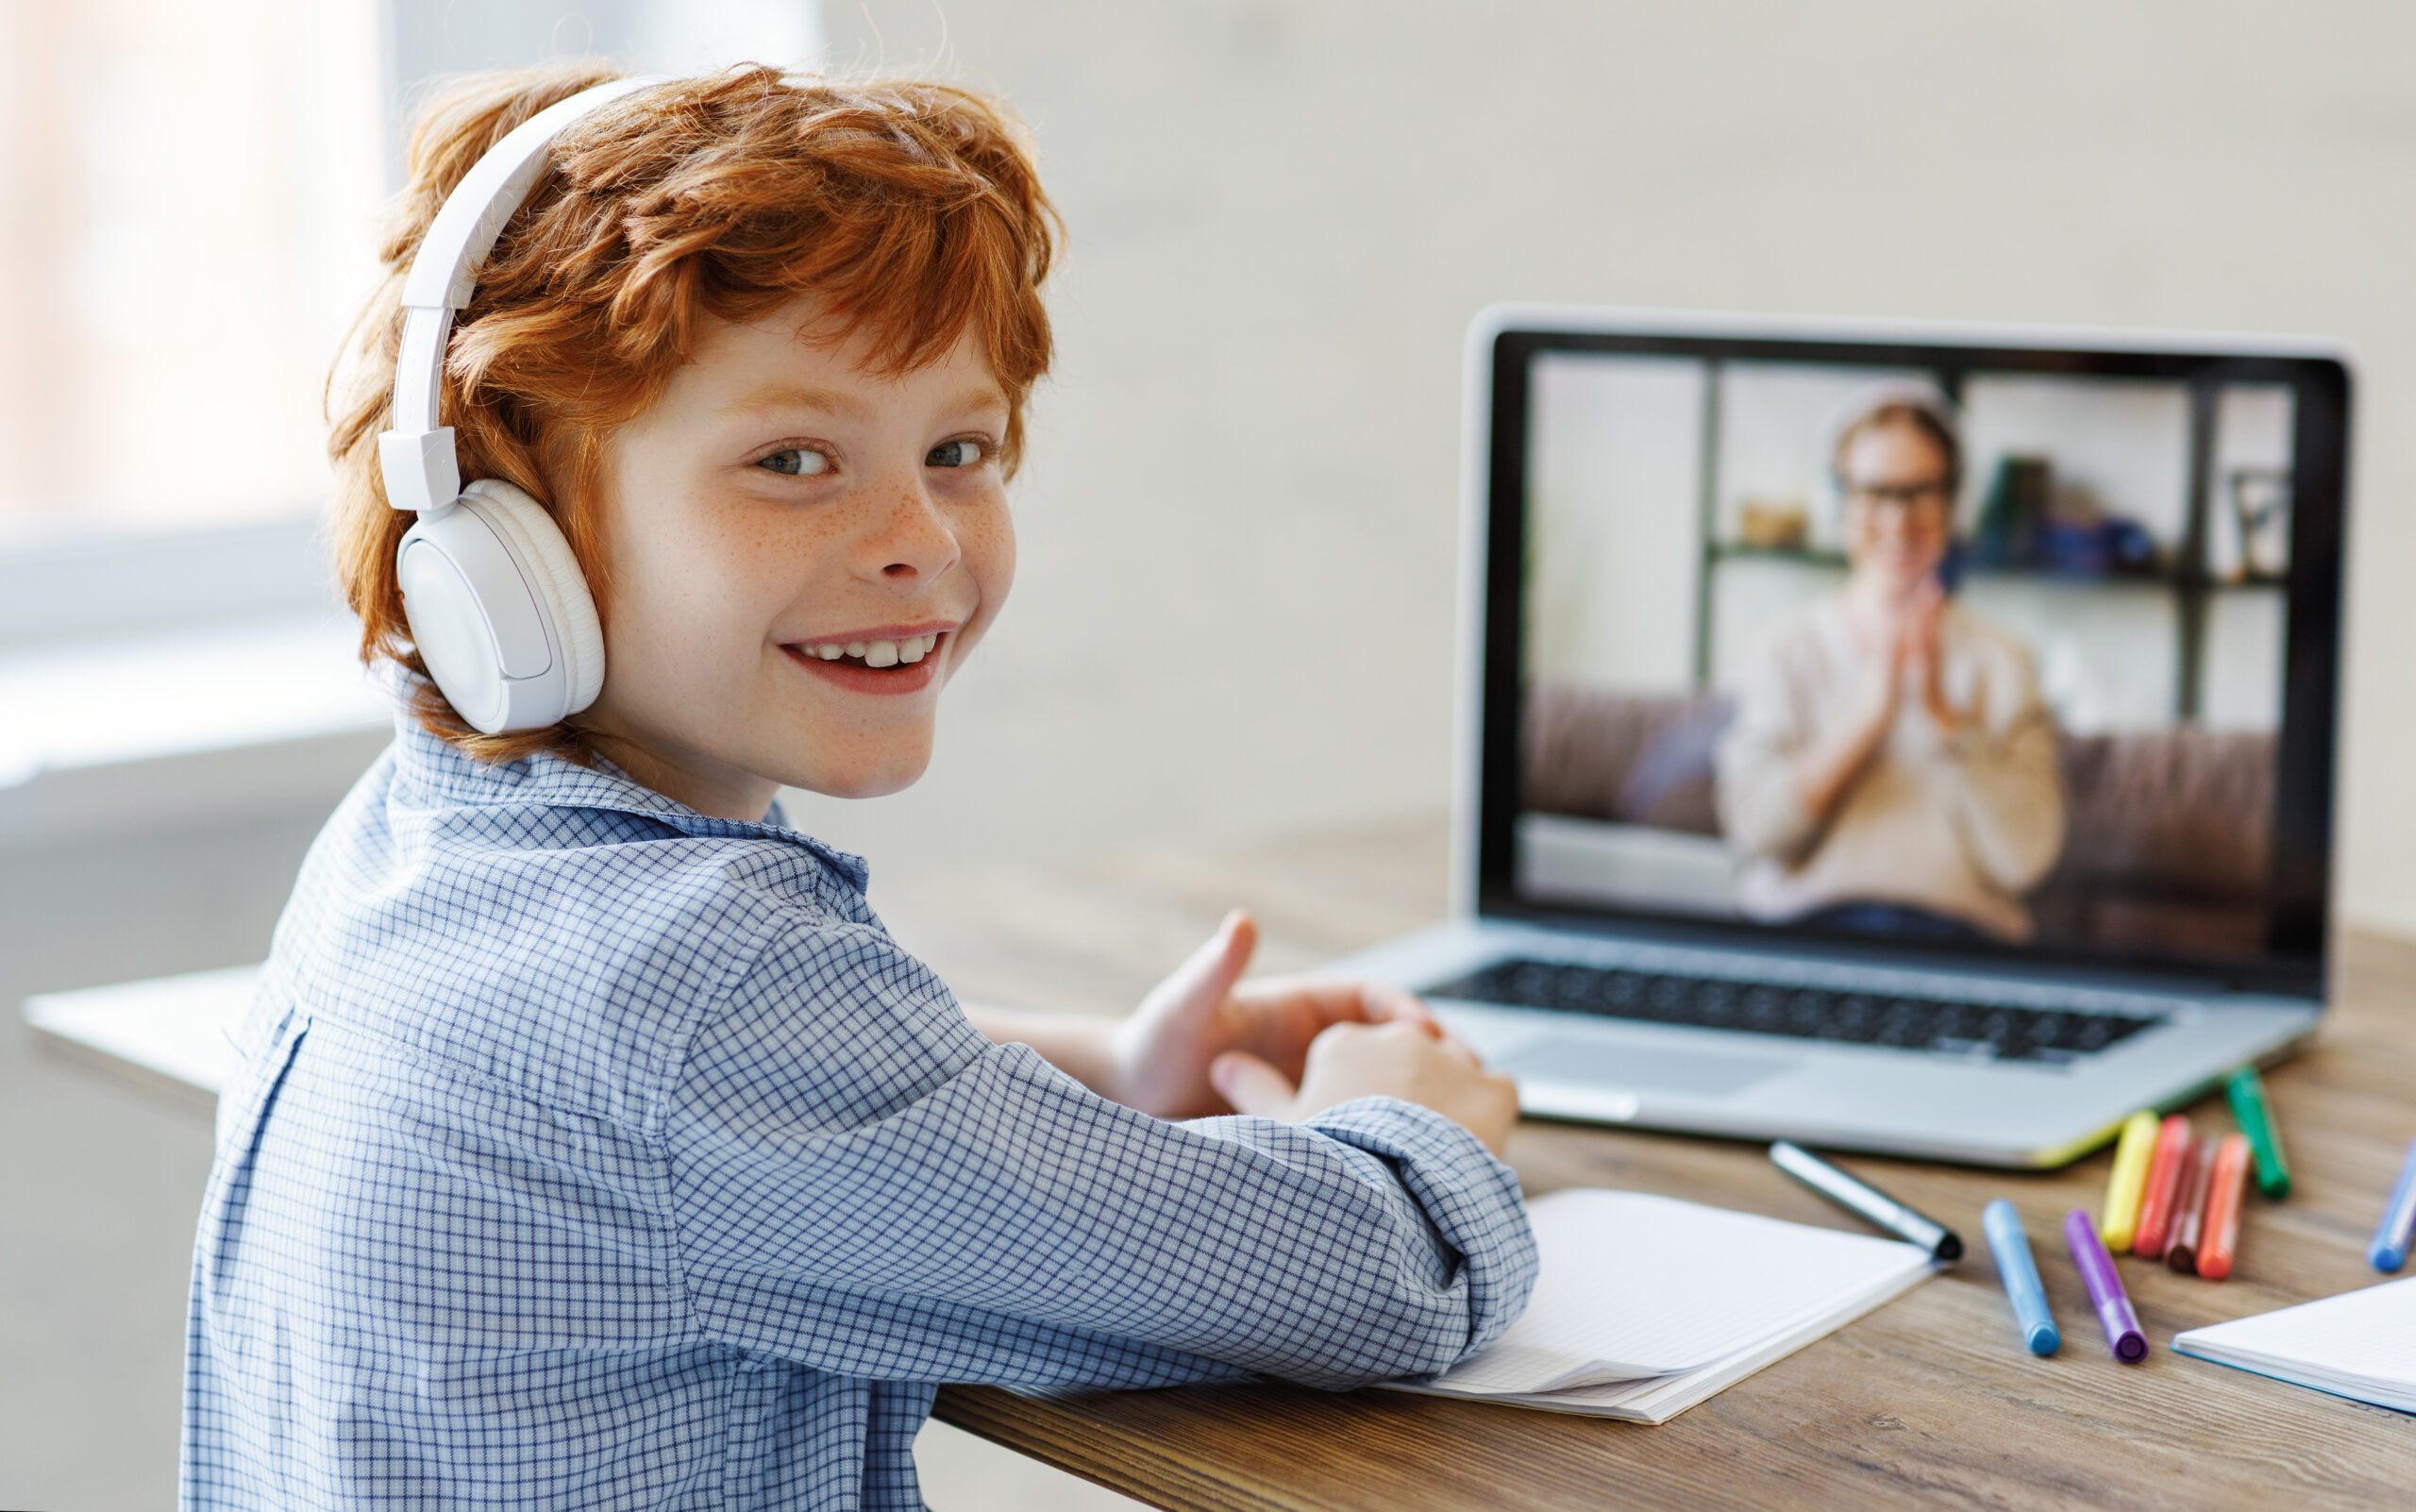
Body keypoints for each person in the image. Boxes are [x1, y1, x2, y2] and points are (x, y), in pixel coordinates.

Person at [183, 66, 1533, 1510]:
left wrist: (1109, 1066)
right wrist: (1416, 1128)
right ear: (503, 529)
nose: (919, 542)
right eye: (793, 459)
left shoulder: (413, 837)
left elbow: (705, 1099)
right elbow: (1376, 1283)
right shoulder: (707, 981)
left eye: (959, 450)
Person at [1715, 385, 2065, 944]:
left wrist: (1950, 725)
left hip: (1957, 942)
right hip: (1803, 933)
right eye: (1874, 492)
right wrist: (1868, 716)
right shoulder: (1786, 650)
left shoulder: (2002, 659)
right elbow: (1755, 833)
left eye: (1921, 492)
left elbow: (2024, 860)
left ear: (1953, 502)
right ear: (1839, 500)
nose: (1899, 522)